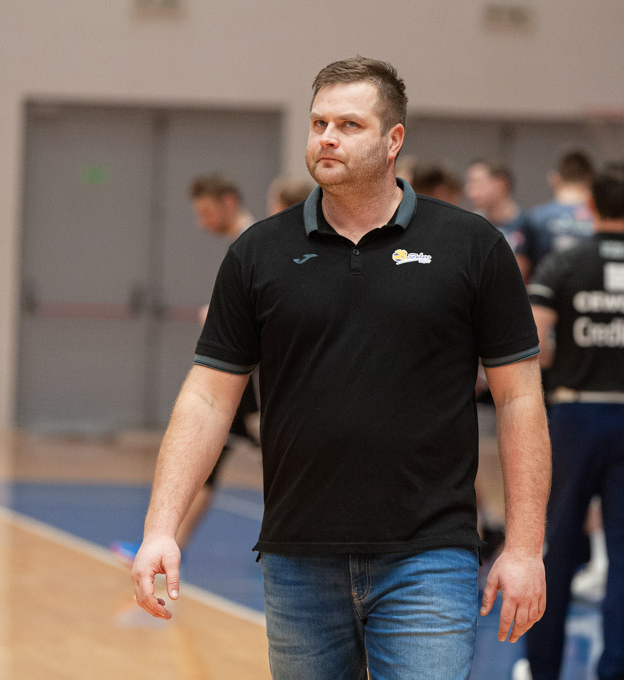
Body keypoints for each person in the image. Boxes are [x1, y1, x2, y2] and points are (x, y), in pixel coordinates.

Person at [130, 56, 551, 680]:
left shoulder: (472, 246)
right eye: (318, 123)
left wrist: (524, 547)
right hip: (298, 558)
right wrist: (160, 528)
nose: (327, 137)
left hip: (430, 556)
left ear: (393, 140)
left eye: (349, 125)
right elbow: (208, 399)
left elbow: (520, 399)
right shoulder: (258, 253)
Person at [516, 161, 624, 680]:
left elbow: (530, 345)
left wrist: (561, 367)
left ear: (590, 204)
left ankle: (541, 668)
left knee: (557, 546)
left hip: (574, 417)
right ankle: (615, 671)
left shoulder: (563, 265)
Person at [110, 174, 260, 565]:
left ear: (229, 202)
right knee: (207, 462)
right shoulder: (243, 242)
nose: (201, 222)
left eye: (206, 212)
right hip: (243, 383)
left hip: (256, 381)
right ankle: (167, 546)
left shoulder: (253, 241)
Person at [525, 149, 596, 276]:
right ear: (590, 179)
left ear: (554, 178)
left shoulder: (536, 217)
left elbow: (524, 268)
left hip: (545, 285)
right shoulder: (601, 219)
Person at [464, 158, 534, 275]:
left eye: (476, 182)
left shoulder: (528, 224)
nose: (469, 191)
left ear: (500, 184)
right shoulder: (469, 225)